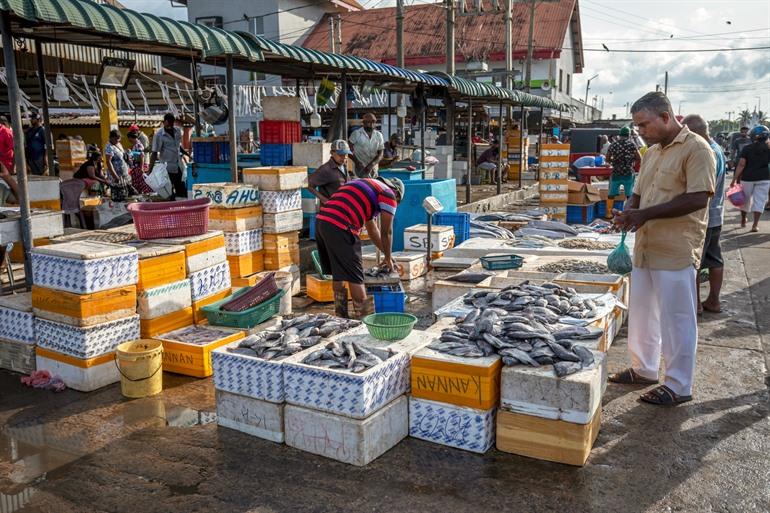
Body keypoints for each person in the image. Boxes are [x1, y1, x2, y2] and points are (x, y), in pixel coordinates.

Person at [609, 91, 715, 407]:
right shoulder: (652, 152)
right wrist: (629, 212)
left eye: (644, 124)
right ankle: (644, 369)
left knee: (677, 318)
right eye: (637, 125)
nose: (639, 130)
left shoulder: (697, 149)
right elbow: (638, 193)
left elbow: (698, 197)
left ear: (666, 117)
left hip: (676, 248)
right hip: (646, 246)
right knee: (641, 313)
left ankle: (679, 385)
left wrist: (643, 215)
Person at [315, 176, 405, 319]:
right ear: (397, 194)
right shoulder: (389, 194)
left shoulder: (366, 186)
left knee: (338, 274)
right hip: (342, 226)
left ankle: (341, 316)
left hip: (322, 222)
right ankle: (365, 319)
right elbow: (386, 232)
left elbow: (372, 230)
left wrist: (388, 256)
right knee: (355, 277)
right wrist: (387, 258)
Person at [683, 114, 726, 314]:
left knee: (695, 262)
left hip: (704, 217)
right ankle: (713, 301)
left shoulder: (706, 152)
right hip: (716, 215)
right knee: (715, 259)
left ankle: (697, 303)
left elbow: (701, 192)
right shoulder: (718, 148)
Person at [731, 125, 770, 232]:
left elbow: (741, 164)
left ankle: (743, 220)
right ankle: (755, 225)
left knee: (745, 200)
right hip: (764, 178)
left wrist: (734, 179)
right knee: (760, 201)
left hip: (747, 178)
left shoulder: (747, 148)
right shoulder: (768, 148)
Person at [605, 126, 642, 217]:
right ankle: (629, 214)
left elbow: (607, 159)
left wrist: (614, 161)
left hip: (616, 173)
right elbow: (640, 158)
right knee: (629, 194)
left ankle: (609, 214)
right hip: (628, 173)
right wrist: (631, 161)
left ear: (620, 135)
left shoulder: (613, 145)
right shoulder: (631, 145)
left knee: (611, 194)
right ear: (628, 135)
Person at [150, 113, 188, 199]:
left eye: (171, 125)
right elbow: (154, 152)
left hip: (178, 165)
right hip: (167, 168)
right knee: (169, 193)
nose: (169, 127)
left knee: (182, 191)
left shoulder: (178, 131)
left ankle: (182, 209)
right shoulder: (158, 135)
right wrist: (150, 169)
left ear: (173, 122)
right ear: (163, 123)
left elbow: (178, 147)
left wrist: (188, 155)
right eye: (167, 126)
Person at [307, 140, 352, 205]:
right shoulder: (325, 169)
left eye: (346, 155)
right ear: (332, 153)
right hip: (330, 209)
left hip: (342, 206)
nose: (344, 158)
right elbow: (308, 184)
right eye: (340, 155)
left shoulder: (343, 166)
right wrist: (324, 199)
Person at [349, 113, 385, 178]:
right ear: (364, 123)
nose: (372, 124)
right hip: (360, 169)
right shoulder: (356, 133)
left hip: (373, 169)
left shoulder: (379, 135)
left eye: (373, 122)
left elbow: (381, 153)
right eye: (369, 122)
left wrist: (372, 164)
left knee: (373, 186)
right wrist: (357, 163)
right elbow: (349, 150)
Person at [105, 129, 133, 201]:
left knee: (125, 195)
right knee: (117, 196)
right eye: (116, 139)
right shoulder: (109, 147)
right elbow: (108, 162)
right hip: (116, 176)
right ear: (111, 138)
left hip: (123, 175)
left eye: (119, 139)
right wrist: (115, 177)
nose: (117, 140)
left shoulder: (118, 144)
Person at [127, 130, 153, 195]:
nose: (129, 140)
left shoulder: (139, 145)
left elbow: (142, 156)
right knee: (136, 183)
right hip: (136, 167)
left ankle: (147, 195)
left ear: (131, 137)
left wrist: (141, 168)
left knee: (142, 182)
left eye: (129, 138)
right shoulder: (134, 145)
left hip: (139, 166)